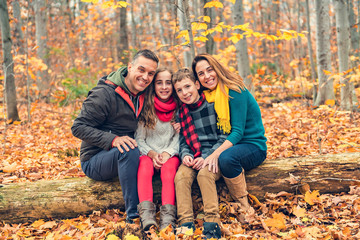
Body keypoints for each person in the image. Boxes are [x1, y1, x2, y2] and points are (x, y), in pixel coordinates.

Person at [71, 49, 159, 223]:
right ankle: (133, 215)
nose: (145, 77)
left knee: (140, 153)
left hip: (126, 157)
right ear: (130, 67)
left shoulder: (144, 92)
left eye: (151, 73)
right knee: (129, 149)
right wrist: (113, 140)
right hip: (95, 159)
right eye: (141, 70)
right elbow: (78, 127)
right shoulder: (104, 94)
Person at [191, 53, 267, 219]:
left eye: (210, 70)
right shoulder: (209, 95)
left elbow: (238, 132)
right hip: (233, 144)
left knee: (226, 159)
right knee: (224, 157)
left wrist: (215, 154)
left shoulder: (234, 90)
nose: (207, 76)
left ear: (217, 69)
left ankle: (244, 205)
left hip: (253, 145)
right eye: (201, 73)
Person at [172, 68, 228, 239]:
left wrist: (206, 157)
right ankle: (185, 223)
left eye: (188, 86)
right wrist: (186, 155)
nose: (185, 93)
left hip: (214, 154)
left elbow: (224, 136)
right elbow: (183, 141)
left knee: (204, 175)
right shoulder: (182, 113)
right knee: (180, 177)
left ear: (197, 85)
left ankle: (212, 223)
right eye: (179, 90)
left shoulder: (213, 106)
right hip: (193, 155)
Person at [135, 68, 180, 231]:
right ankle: (147, 217)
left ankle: (167, 219)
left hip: (171, 153)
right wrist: (152, 154)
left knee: (168, 170)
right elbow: (139, 139)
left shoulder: (179, 107)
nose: (164, 87)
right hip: (148, 153)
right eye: (159, 83)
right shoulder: (146, 107)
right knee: (144, 167)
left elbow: (179, 139)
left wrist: (167, 154)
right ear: (153, 86)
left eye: (168, 83)